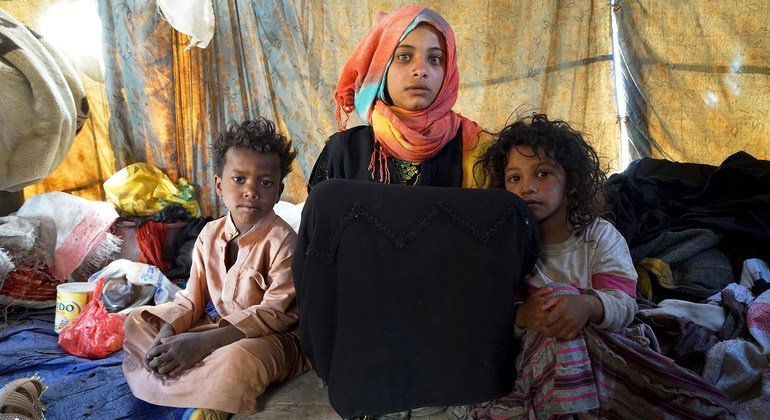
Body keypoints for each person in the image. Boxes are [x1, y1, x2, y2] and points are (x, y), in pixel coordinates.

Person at [461, 113, 733, 418]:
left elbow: (624, 304)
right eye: (515, 178)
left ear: (572, 183)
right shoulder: (502, 248)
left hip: (606, 349)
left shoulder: (599, 237)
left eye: (543, 174)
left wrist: (588, 306)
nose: (528, 187)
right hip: (537, 362)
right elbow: (488, 320)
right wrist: (524, 314)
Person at [122, 118, 308, 419]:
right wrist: (169, 330)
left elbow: (275, 313)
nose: (251, 191)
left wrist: (205, 342)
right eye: (239, 179)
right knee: (138, 322)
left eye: (265, 182)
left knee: (239, 358)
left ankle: (210, 402)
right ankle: (197, 381)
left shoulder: (285, 241)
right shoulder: (209, 234)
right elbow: (191, 301)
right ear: (219, 185)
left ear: (278, 190)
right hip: (218, 326)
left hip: (272, 339)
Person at [308, 4, 489, 191]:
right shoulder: (344, 152)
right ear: (380, 70)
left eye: (435, 58)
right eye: (404, 56)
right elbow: (320, 217)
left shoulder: (476, 147)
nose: (421, 70)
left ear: (449, 72)